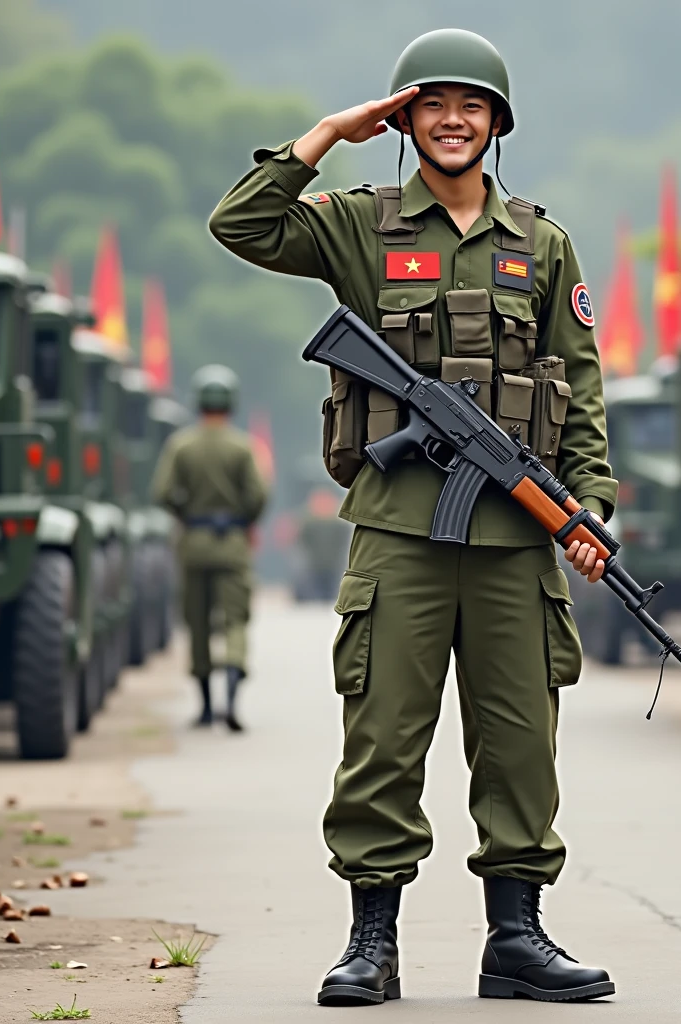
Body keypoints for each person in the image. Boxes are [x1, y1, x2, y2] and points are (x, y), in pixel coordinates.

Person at [209, 28, 618, 1004]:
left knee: (520, 740)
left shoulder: (542, 244)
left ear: (497, 124)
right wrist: (327, 134)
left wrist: (588, 506)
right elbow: (242, 224)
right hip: (398, 532)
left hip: (518, 537)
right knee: (384, 738)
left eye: (471, 106)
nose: (451, 121)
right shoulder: (361, 226)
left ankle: (515, 938)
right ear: (403, 119)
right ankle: (371, 941)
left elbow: (581, 390)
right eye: (430, 104)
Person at [152, 365, 268, 732]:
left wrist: (188, 514)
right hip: (232, 542)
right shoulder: (243, 446)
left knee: (197, 622)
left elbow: (163, 492)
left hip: (194, 543)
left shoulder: (181, 445)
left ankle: (204, 707)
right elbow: (259, 495)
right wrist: (244, 519)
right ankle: (231, 700)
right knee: (235, 621)